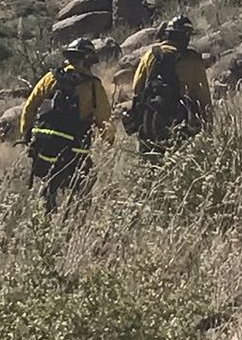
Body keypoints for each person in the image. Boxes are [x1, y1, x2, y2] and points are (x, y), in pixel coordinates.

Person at [19, 39, 114, 212]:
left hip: (44, 147)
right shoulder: (93, 86)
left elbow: (30, 107)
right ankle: (76, 218)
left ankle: (45, 215)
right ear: (88, 60)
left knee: (49, 183)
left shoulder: (50, 78)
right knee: (85, 183)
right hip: (74, 150)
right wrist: (108, 143)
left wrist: (26, 135)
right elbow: (105, 120)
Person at [123, 15, 213, 156]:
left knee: (149, 161)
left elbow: (137, 88)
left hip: (149, 122)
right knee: (178, 162)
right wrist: (209, 124)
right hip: (181, 125)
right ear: (186, 36)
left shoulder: (150, 55)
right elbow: (204, 97)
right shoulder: (192, 60)